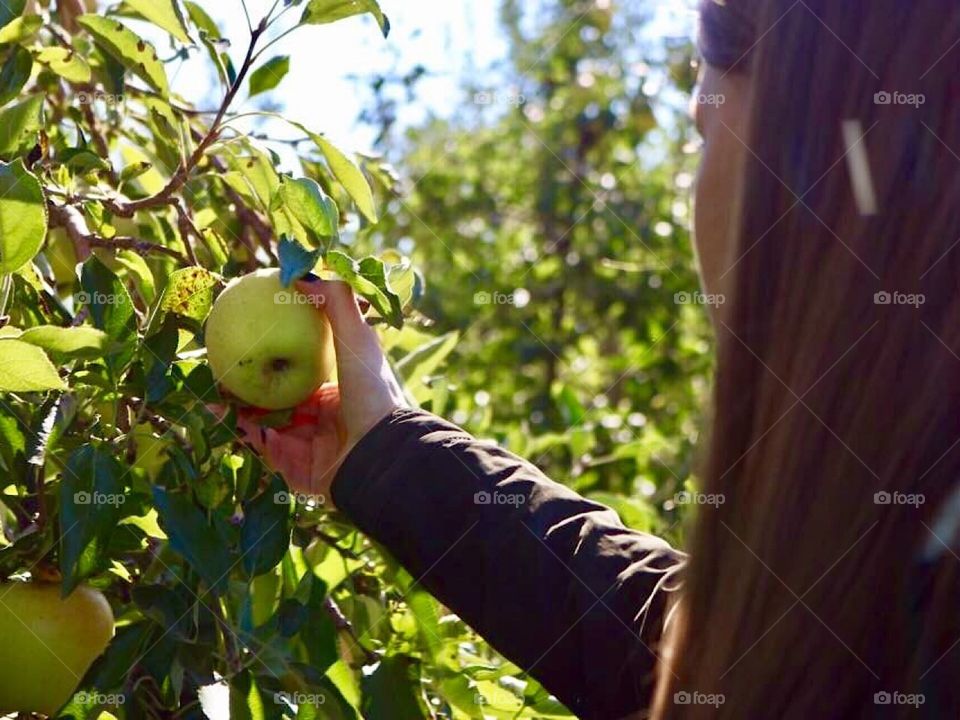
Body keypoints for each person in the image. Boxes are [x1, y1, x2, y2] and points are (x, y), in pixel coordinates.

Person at [236, 1, 960, 717]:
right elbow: (663, 642)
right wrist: (384, 446)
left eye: (702, 136)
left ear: (806, 156)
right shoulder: (870, 561)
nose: (693, 198)